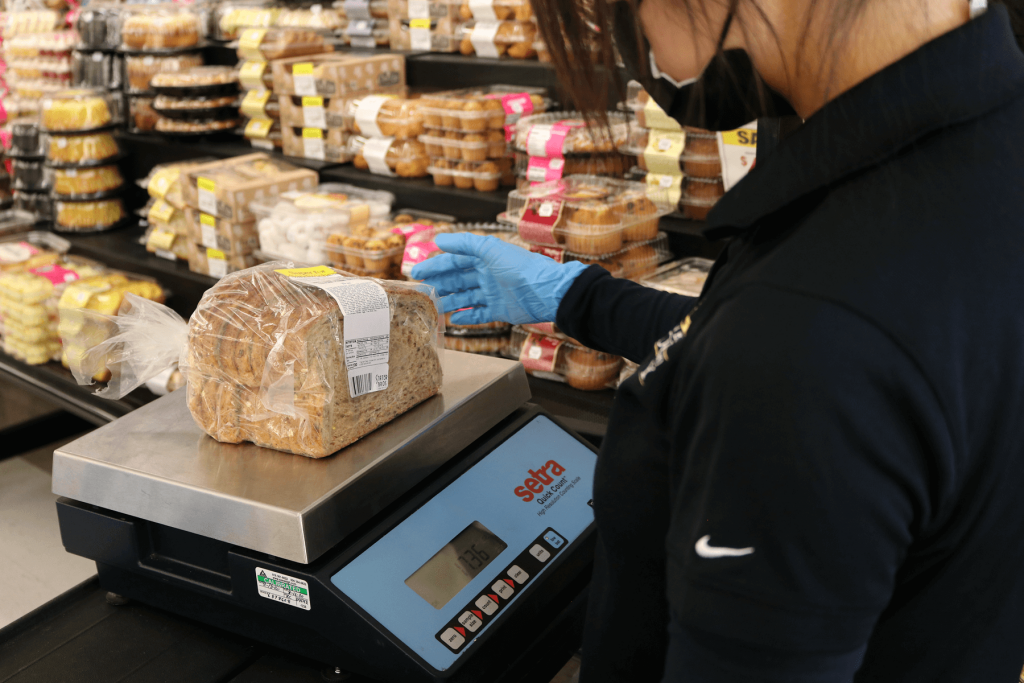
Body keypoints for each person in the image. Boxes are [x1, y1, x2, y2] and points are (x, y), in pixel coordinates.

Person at [413, 0, 1024, 678]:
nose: (635, 43)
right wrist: (578, 298)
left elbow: (798, 351)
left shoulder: (809, 339)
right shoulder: (978, 140)